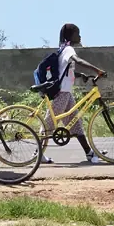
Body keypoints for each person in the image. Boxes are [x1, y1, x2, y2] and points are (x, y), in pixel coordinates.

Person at [44, 23, 107, 164]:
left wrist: (80, 75)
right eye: (78, 33)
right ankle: (37, 154)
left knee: (76, 124)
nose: (80, 36)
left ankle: (89, 153)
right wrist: (97, 70)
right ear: (70, 35)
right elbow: (77, 60)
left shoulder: (63, 49)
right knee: (48, 125)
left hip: (67, 94)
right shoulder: (68, 49)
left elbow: (65, 70)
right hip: (61, 94)